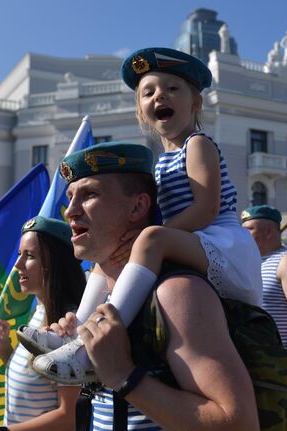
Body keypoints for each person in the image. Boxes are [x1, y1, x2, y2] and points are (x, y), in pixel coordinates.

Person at [31, 47, 262, 385]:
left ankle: (98, 339)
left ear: (196, 102)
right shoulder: (159, 161)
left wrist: (150, 236)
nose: (160, 97)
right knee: (107, 259)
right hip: (188, 237)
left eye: (172, 88)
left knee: (149, 240)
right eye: (148, 92)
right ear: (140, 109)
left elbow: (206, 209)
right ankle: (78, 331)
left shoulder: (197, 145)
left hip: (220, 239)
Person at [44, 141, 260, 430]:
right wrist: (73, 340)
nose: (70, 211)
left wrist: (124, 375)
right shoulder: (104, 293)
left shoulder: (175, 293)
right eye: (70, 197)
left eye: (89, 194)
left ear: (138, 206)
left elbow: (240, 424)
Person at [0, 216, 85, 431]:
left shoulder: (68, 326)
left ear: (54, 263)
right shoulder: (38, 313)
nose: (17, 265)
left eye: (29, 256)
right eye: (19, 255)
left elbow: (69, 417)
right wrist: (4, 349)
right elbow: (36, 381)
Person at [240, 205, 287, 431]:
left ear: (270, 231)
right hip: (256, 366)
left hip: (283, 367)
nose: (243, 235)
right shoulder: (249, 264)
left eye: (249, 229)